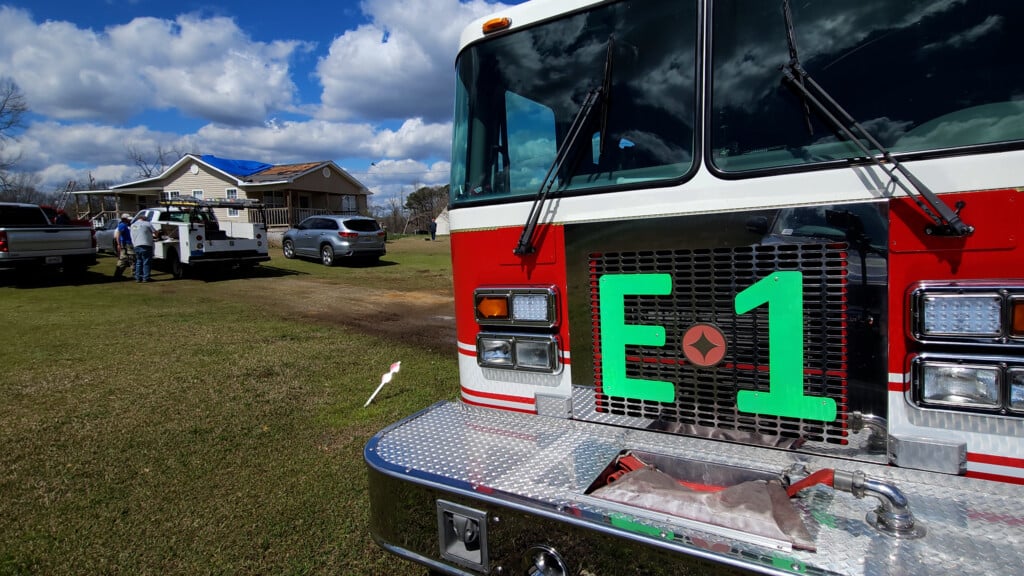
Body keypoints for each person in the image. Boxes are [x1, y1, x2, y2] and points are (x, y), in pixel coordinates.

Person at [130, 213, 157, 283]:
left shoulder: (133, 225)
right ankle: (146, 277)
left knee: (139, 261)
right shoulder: (147, 224)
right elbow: (155, 232)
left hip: (136, 245)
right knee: (146, 261)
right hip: (146, 244)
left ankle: (138, 277)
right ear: (144, 218)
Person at [113, 213, 134, 279]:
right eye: (128, 219)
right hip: (126, 244)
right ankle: (135, 274)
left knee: (126, 259)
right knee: (131, 258)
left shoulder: (125, 225)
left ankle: (118, 274)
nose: (130, 220)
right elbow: (118, 235)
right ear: (125, 219)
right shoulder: (122, 225)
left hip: (126, 244)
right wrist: (119, 244)